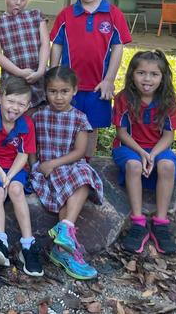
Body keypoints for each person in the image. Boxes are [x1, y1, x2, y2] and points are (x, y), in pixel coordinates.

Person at [50, 0, 131, 159]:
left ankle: (86, 164)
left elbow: (118, 47)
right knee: (66, 124)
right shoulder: (66, 15)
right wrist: (53, 75)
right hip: (69, 86)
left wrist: (109, 80)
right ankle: (65, 164)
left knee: (91, 127)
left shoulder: (114, 14)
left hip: (98, 86)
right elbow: (57, 44)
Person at [29, 67, 103, 281]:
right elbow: (32, 147)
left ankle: (65, 231)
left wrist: (54, 163)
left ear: (75, 91)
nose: (58, 97)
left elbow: (80, 152)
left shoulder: (79, 118)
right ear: (45, 92)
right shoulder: (38, 116)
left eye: (64, 91)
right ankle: (64, 251)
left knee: (83, 174)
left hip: (68, 165)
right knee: (69, 191)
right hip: (47, 171)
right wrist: (36, 167)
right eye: (53, 91)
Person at [113, 50, 176, 255]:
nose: (147, 79)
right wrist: (142, 154)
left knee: (167, 165)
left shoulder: (168, 101)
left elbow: (169, 136)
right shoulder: (123, 98)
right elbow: (122, 133)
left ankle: (160, 223)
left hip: (158, 148)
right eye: (141, 73)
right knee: (134, 165)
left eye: (154, 74)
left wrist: (152, 155)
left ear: (163, 77)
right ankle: (138, 223)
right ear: (132, 74)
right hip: (129, 147)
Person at [0, 76, 42, 277]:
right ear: (0, 97)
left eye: (21, 104)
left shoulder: (26, 124)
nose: (15, 108)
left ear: (27, 106)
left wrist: (11, 175)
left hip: (16, 168)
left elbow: (23, 154)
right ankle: (0, 241)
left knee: (16, 190)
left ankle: (28, 244)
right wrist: (0, 172)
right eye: (11, 101)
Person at [0, 0, 49, 112]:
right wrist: (19, 72)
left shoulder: (36, 16)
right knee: (16, 114)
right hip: (13, 79)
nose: (18, 2)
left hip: (38, 76)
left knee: (38, 115)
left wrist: (41, 70)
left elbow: (45, 44)